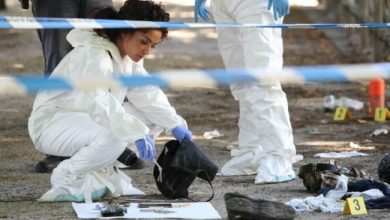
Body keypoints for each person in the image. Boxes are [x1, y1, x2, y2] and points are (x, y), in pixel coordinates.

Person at [28, 0, 192, 202]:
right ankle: (67, 175)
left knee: (151, 119)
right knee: (116, 137)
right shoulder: (93, 54)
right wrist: (133, 130)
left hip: (85, 119)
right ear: (125, 31)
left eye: (152, 45)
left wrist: (175, 125)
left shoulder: (126, 56)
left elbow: (148, 94)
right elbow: (97, 101)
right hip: (52, 124)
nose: (147, 51)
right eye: (144, 41)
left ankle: (101, 172)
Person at [194, 0, 300, 184]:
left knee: (263, 82)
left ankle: (279, 156)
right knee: (241, 82)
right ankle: (252, 150)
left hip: (257, 4)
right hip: (223, 5)